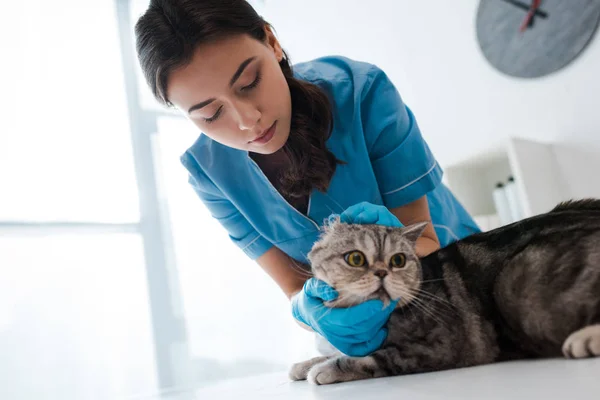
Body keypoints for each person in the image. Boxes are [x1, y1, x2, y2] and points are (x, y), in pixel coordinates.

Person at [135, 0, 480, 357]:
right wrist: (311, 310)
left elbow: (423, 237)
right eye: (210, 114)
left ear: (271, 41)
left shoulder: (362, 93)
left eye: (249, 83)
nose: (246, 120)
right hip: (381, 347)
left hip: (454, 284)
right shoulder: (209, 176)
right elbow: (296, 287)